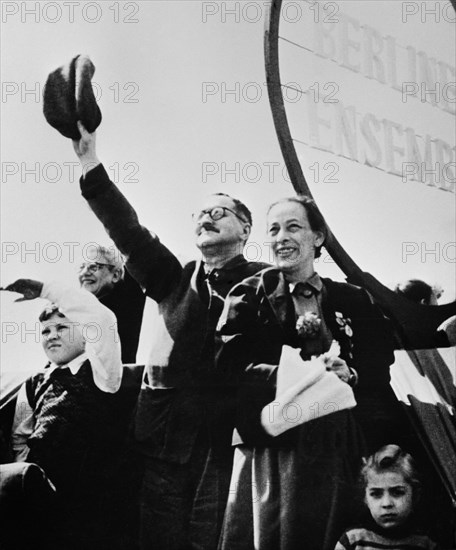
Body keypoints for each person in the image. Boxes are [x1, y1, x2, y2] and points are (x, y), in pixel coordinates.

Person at [71, 121, 269, 550]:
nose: (206, 217)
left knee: (214, 540)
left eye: (220, 212)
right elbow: (126, 230)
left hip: (229, 445)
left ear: (246, 229)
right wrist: (88, 159)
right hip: (163, 443)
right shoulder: (173, 278)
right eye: (200, 213)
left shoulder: (269, 283)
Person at [215, 196, 399, 550]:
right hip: (272, 448)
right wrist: (294, 375)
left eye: (293, 227)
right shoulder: (249, 295)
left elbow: (380, 362)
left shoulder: (354, 299)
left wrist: (351, 373)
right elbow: (227, 366)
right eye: (274, 229)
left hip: (337, 446)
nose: (281, 237)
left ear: (318, 237)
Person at [4, 278, 122, 549]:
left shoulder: (101, 373)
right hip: (40, 491)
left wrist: (47, 291)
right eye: (45, 331)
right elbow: (20, 437)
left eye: (62, 328)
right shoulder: (35, 382)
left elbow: (103, 319)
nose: (52, 335)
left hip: (87, 494)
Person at [334, 444, 440, 550]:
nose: (387, 503)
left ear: (414, 495)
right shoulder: (353, 540)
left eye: (397, 493)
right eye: (376, 494)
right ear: (366, 498)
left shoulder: (425, 544)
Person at [78, 244, 146, 363]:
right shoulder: (76, 312)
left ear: (115, 275)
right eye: (81, 267)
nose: (84, 272)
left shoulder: (131, 298)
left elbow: (137, 251)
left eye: (93, 267)